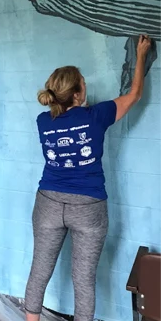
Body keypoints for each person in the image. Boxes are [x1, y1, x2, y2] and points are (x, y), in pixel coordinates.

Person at [25, 35, 151, 322]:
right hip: (89, 207)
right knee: (83, 279)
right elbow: (134, 95)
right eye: (83, 82)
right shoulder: (97, 115)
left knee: (39, 270)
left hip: (47, 202)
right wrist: (141, 53)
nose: (86, 85)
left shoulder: (43, 121)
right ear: (78, 94)